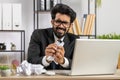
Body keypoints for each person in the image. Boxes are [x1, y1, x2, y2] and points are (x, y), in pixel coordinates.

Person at [27, 3, 79, 70]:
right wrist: (46, 59)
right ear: (52, 22)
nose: (61, 26)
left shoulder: (75, 40)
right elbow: (31, 61)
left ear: (70, 26)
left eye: (65, 23)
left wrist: (63, 61)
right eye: (58, 21)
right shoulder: (38, 35)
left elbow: (79, 64)